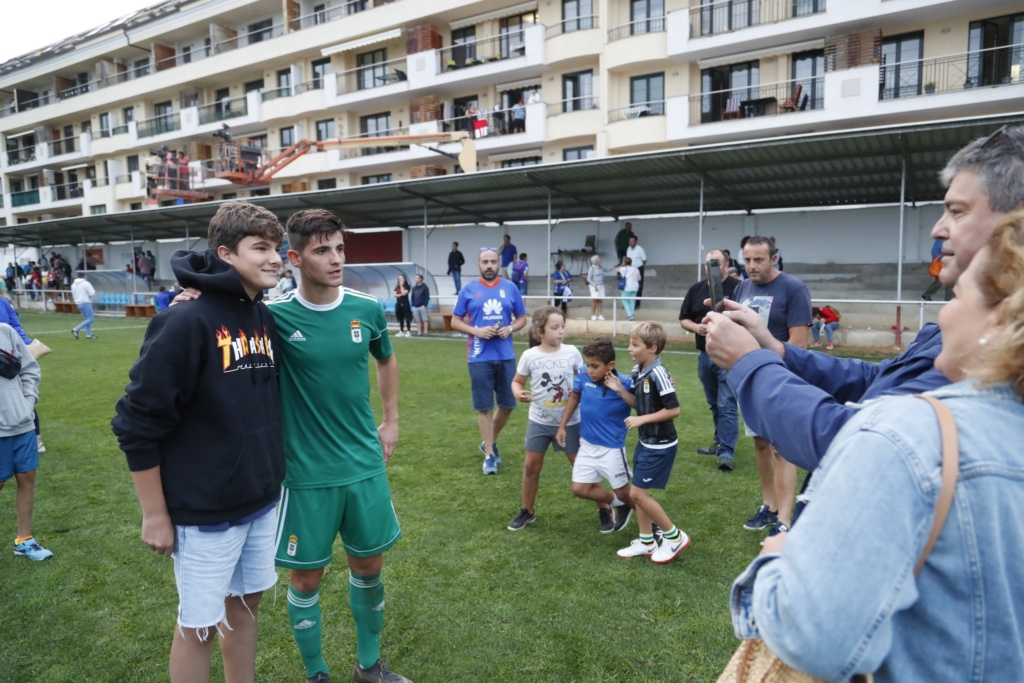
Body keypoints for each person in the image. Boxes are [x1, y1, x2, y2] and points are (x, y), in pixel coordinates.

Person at [721, 213, 1024, 682]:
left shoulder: (912, 432)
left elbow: (812, 634)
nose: (940, 318)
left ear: (1001, 320)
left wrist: (778, 555)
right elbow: (877, 379)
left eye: (959, 296)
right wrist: (777, 353)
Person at [704, 125, 1024, 477]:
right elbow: (876, 377)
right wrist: (776, 350)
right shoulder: (961, 339)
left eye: (957, 211)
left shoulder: (985, 358)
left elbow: (850, 442)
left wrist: (748, 361)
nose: (937, 228)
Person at [111, 202, 286, 682]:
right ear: (226, 253)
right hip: (204, 510)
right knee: (199, 626)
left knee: (246, 605)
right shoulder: (184, 321)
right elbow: (135, 423)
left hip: (259, 499)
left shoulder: (263, 317)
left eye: (277, 248)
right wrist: (155, 514)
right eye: (261, 248)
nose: (275, 258)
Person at [268, 209, 409, 683]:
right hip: (307, 473)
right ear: (295, 257)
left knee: (369, 566)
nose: (336, 259)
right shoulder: (273, 317)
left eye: (340, 248)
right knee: (306, 577)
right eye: (322, 250)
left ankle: (369, 666)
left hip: (364, 464)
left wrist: (389, 421)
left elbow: (385, 360)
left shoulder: (365, 309)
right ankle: (316, 674)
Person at [729, 236, 812, 536]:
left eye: (758, 260)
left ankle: (785, 519)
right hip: (750, 377)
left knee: (782, 449)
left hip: (780, 380)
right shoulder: (742, 287)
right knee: (761, 443)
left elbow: (799, 344)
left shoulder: (793, 288)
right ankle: (769, 506)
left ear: (774, 259)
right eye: (747, 260)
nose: (751, 266)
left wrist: (766, 364)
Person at [507, 307, 600, 530]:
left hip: (569, 423)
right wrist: (518, 392)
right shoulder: (530, 356)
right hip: (538, 421)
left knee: (581, 468)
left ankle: (604, 508)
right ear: (540, 331)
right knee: (531, 467)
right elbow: (517, 381)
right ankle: (527, 511)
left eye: (562, 327)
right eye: (555, 327)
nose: (561, 332)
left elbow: (589, 378)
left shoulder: (572, 353)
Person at [604, 322, 689, 564]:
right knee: (639, 493)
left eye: (634, 344)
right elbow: (640, 404)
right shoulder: (638, 370)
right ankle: (646, 541)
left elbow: (674, 410)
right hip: (646, 441)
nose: (629, 348)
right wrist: (620, 389)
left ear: (652, 348)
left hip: (660, 444)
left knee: (638, 494)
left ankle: (674, 537)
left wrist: (642, 419)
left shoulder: (659, 373)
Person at [449, 247, 528, 475]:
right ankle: (490, 455)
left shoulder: (510, 287)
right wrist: (476, 331)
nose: (490, 265)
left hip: (506, 355)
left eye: (493, 261)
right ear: (478, 264)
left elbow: (522, 318)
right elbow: (455, 321)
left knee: (508, 405)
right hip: (478, 357)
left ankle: (488, 441)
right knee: (484, 407)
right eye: (485, 262)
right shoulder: (469, 289)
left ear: (498, 264)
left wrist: (510, 328)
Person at [558, 337, 634, 534]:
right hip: (587, 445)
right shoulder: (583, 375)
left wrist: (620, 390)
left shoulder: (625, 383)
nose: (589, 370)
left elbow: (641, 404)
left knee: (625, 492)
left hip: (612, 447)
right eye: (588, 364)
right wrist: (562, 425)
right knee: (580, 489)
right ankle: (620, 504)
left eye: (595, 366)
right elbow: (574, 397)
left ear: (610, 365)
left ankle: (654, 524)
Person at [679, 249, 740, 471]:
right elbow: (683, 318)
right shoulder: (696, 289)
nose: (711, 267)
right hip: (706, 354)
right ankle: (719, 441)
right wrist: (697, 327)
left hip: (730, 354)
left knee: (726, 404)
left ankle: (726, 452)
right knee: (714, 403)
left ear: (726, 264)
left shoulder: (739, 288)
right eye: (708, 263)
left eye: (715, 263)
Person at [1, 321, 50, 561]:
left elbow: (30, 368)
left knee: (27, 476)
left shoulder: (5, 332)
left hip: (22, 424)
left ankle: (24, 540)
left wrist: (27, 402)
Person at [70, 274, 97, 339]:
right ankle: (75, 329)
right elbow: (92, 293)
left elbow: (73, 294)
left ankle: (89, 335)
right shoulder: (86, 283)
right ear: (84, 276)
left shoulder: (73, 284)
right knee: (91, 319)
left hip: (78, 303)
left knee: (87, 319)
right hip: (85, 302)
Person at [626, 234, 647, 310]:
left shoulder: (640, 249)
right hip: (630, 269)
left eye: (633, 241)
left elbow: (644, 260)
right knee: (629, 286)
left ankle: (637, 304)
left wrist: (641, 268)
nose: (631, 242)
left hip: (638, 268)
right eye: (630, 241)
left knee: (639, 286)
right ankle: (629, 304)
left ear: (636, 241)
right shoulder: (628, 249)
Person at [585, 254, 605, 320]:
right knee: (594, 300)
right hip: (594, 286)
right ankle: (593, 315)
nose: (600, 260)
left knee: (600, 300)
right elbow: (588, 279)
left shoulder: (601, 267)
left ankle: (600, 314)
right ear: (596, 261)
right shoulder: (592, 268)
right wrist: (594, 285)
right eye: (599, 259)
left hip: (601, 285)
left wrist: (615, 266)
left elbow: (608, 270)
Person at [411, 273, 430, 337]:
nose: (415, 279)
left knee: (425, 320)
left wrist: (425, 305)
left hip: (422, 306)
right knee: (418, 320)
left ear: (420, 279)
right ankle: (419, 333)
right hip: (415, 306)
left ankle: (425, 332)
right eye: (415, 278)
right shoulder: (414, 288)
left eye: (417, 278)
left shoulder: (425, 287)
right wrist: (413, 305)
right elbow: (412, 297)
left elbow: (427, 296)